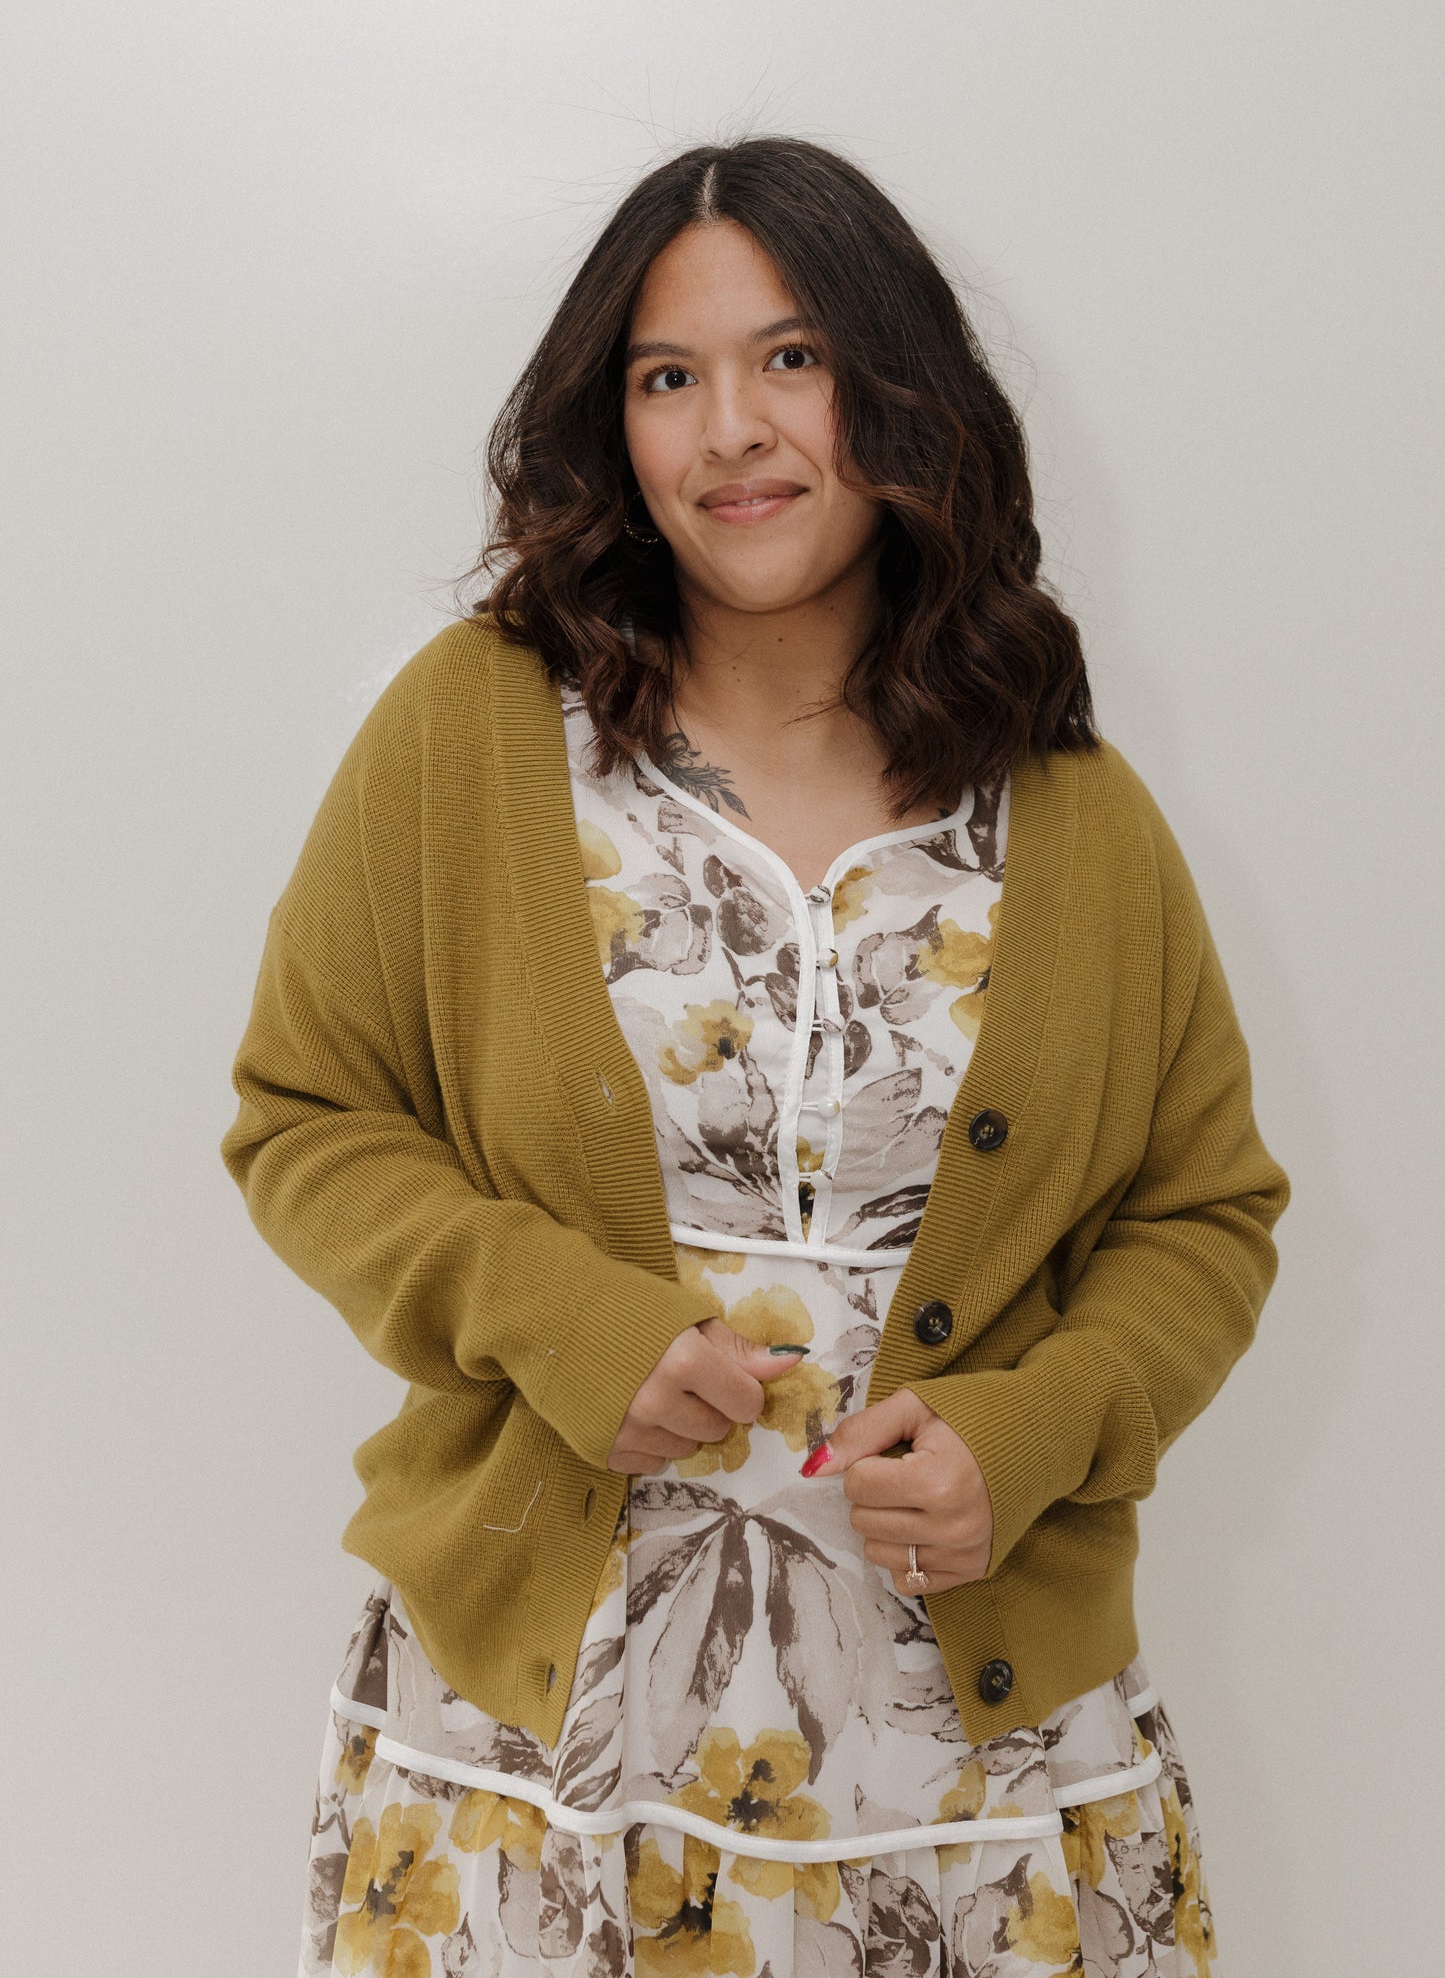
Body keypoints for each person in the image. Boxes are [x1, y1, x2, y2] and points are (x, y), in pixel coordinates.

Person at [221, 135, 1289, 1978]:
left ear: (898, 391)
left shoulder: (1068, 805)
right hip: (541, 1770)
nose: (731, 429)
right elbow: (308, 1118)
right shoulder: (474, 731)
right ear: (611, 430)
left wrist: (1032, 1432)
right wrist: (549, 1311)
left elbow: (1204, 1212)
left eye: (789, 358)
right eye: (667, 376)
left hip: (972, 1782)